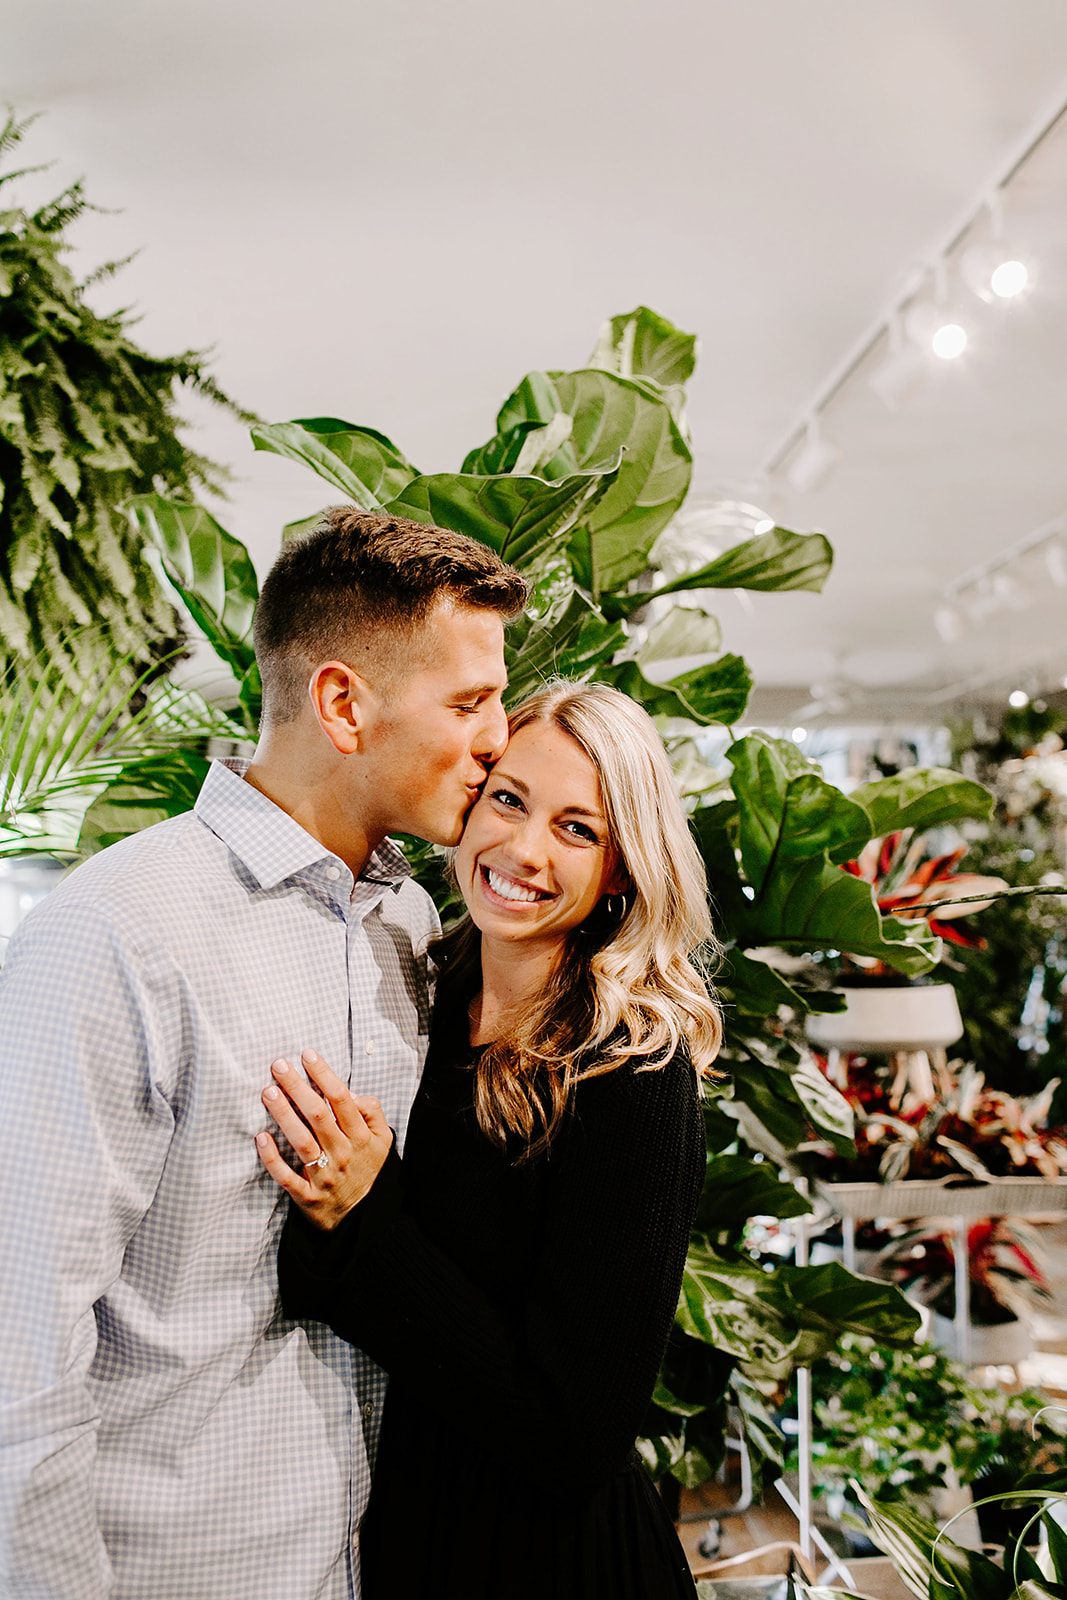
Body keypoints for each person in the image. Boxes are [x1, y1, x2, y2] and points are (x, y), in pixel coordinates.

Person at [0, 508, 527, 1600]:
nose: (497, 740)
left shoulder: (411, 930)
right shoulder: (115, 934)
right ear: (343, 701)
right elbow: (18, 1359)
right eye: (470, 702)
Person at [257, 680, 720, 1599]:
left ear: (623, 867)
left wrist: (367, 1213)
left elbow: (575, 1434)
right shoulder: (417, 987)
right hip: (406, 1524)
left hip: (549, 1558)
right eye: (508, 799)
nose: (522, 849)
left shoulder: (628, 1068)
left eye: (577, 829)